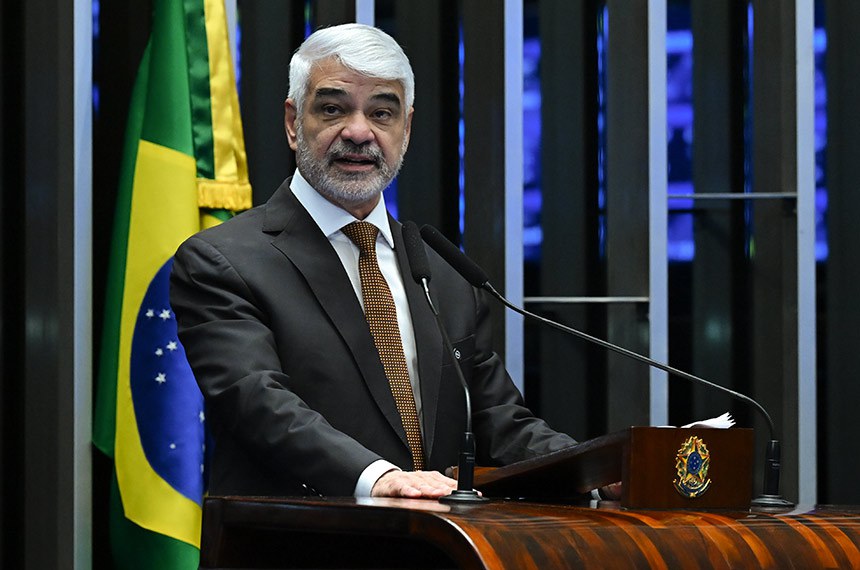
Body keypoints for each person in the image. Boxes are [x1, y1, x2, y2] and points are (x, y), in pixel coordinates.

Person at [170, 23, 584, 500]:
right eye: (332, 109)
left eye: (382, 113)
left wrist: (594, 478)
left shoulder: (443, 273)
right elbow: (257, 402)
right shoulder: (224, 261)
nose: (359, 132)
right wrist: (378, 477)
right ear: (291, 122)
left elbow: (498, 422)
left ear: (406, 128)